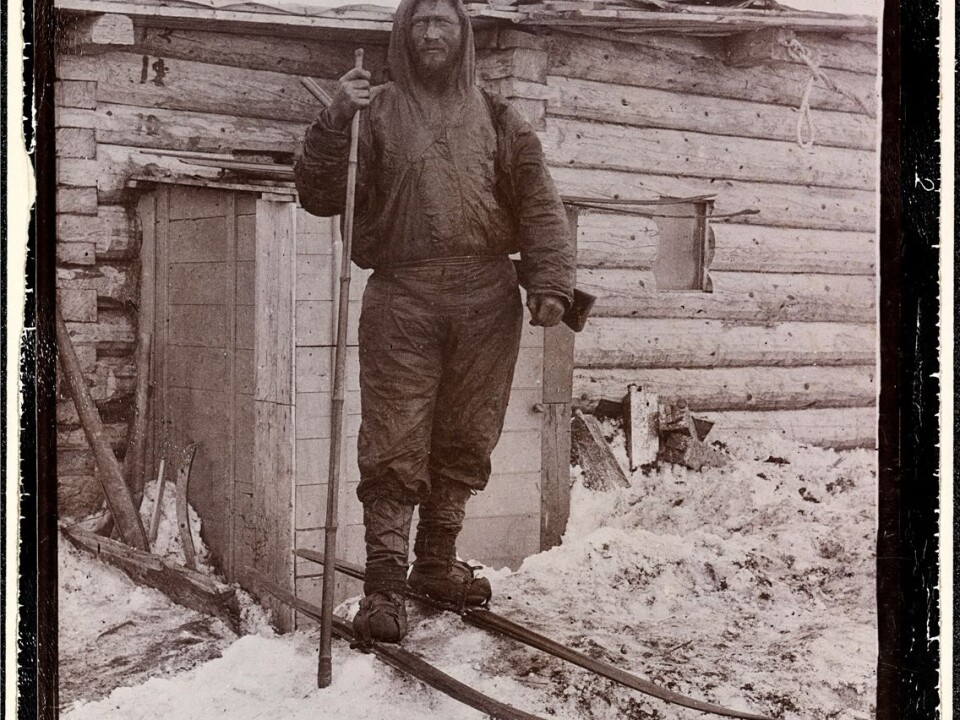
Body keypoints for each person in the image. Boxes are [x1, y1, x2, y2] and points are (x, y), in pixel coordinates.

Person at [294, 0, 575, 644]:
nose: (430, 33)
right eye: (419, 22)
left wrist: (551, 283)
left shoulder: (500, 118)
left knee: (468, 435)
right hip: (404, 293)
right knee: (394, 438)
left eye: (442, 21)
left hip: (487, 293)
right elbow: (316, 194)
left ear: (463, 34)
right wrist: (336, 119)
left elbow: (539, 202)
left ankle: (436, 563)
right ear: (402, 33)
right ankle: (385, 588)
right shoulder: (374, 111)